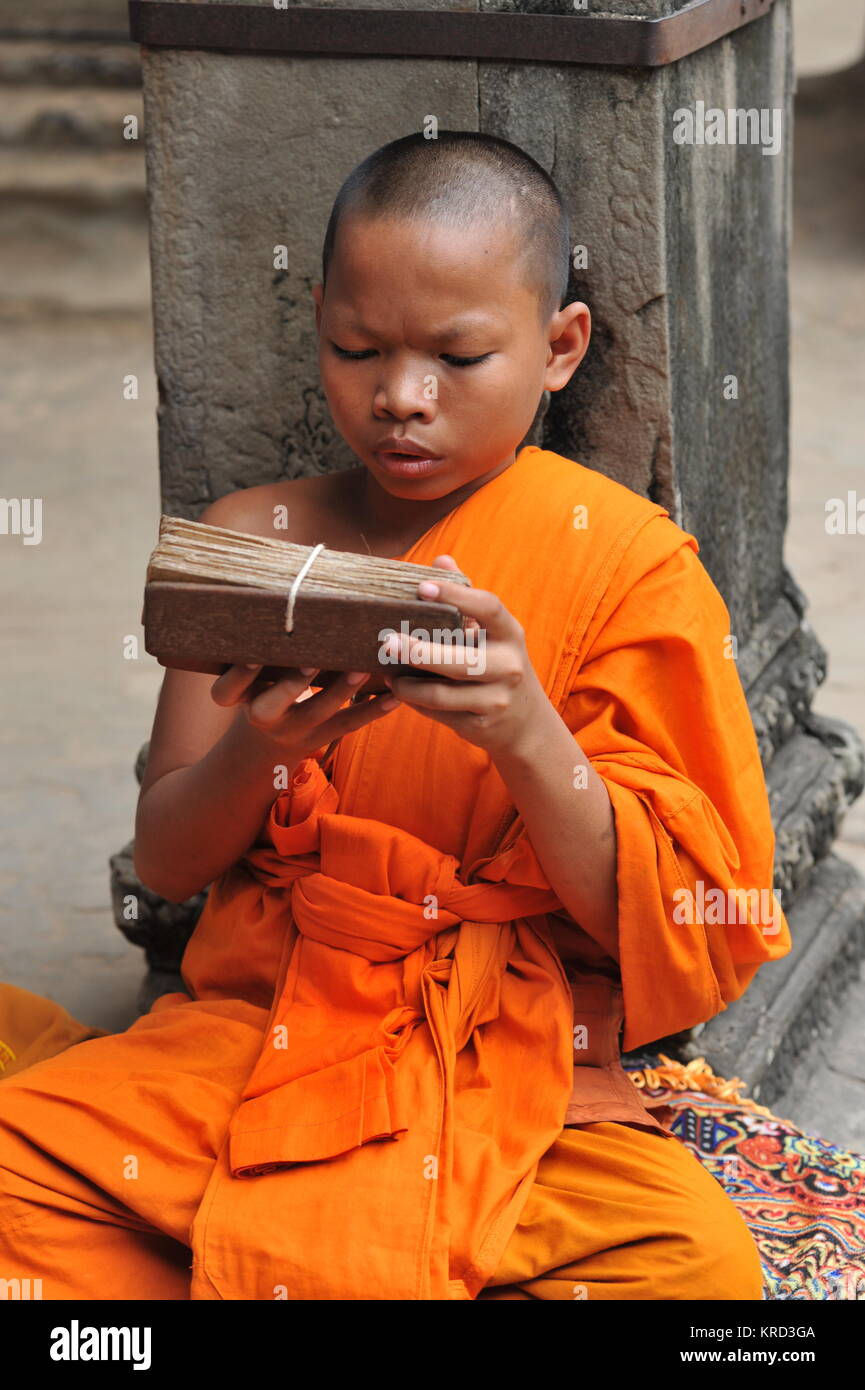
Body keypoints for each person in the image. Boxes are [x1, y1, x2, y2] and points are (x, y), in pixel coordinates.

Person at [0, 130, 791, 1300]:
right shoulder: (253, 539)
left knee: (698, 1274)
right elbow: (167, 859)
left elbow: (680, 913)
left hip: (503, 1055)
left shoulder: (629, 563)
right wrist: (263, 751)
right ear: (315, 319)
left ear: (559, 346)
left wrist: (526, 732)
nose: (400, 399)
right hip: (262, 1026)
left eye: (459, 356)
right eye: (355, 348)